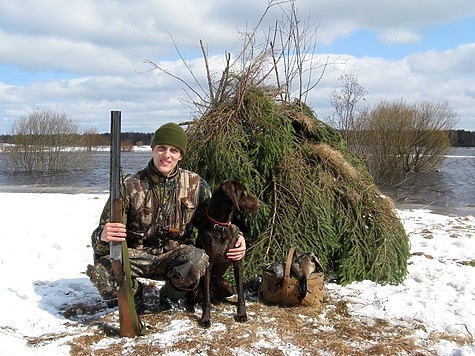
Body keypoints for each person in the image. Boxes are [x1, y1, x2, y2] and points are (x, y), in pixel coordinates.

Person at [86, 122, 246, 311]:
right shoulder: (128, 185)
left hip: (175, 257)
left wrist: (237, 236)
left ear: (181, 156)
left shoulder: (196, 185)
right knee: (102, 273)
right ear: (153, 149)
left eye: (173, 150)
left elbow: (214, 222)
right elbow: (100, 241)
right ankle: (134, 293)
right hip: (135, 257)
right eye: (161, 148)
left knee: (198, 259)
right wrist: (102, 235)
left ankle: (171, 296)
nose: (167, 155)